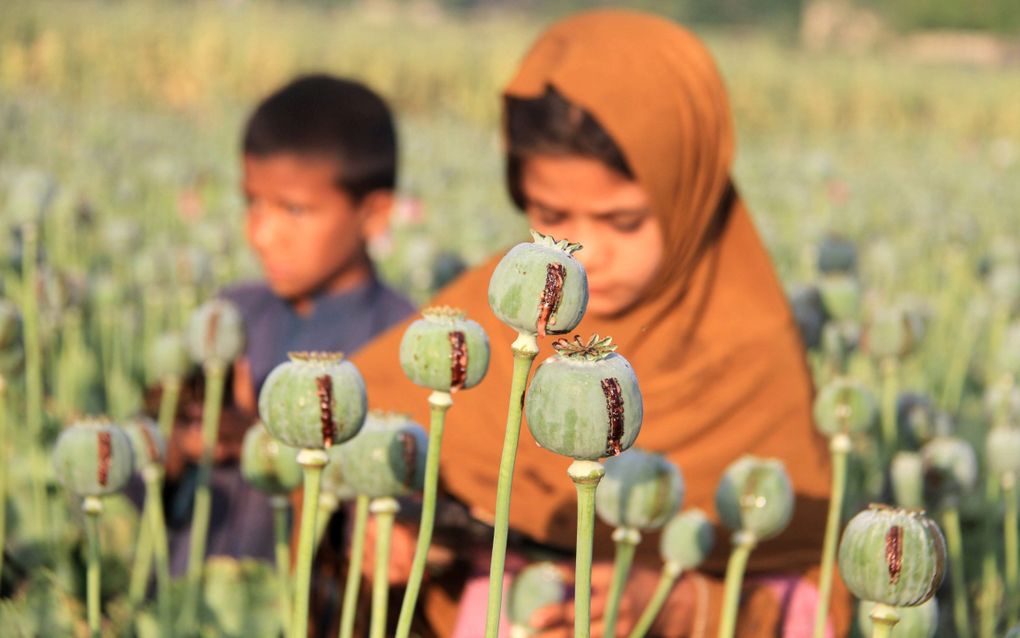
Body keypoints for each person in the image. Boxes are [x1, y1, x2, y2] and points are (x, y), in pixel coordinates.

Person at [351, 10, 850, 637]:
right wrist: (398, 526)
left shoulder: (750, 349)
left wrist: (678, 601)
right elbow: (352, 435)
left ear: (686, 193)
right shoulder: (486, 317)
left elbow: (810, 582)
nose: (583, 253)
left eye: (623, 221)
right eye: (551, 213)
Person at [165, 74, 414, 576]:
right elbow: (154, 472)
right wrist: (179, 444)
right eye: (253, 202)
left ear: (374, 213)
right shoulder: (230, 314)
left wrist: (262, 440)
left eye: (293, 209)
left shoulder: (403, 344)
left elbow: (393, 513)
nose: (261, 233)